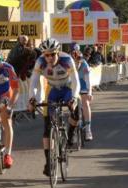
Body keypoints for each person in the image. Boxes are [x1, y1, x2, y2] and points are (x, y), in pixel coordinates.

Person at [27, 38, 80, 176]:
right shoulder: (40, 62)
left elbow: (76, 81)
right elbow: (34, 81)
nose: (49, 58)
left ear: (58, 52)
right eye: (47, 55)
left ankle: (72, 133)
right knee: (47, 126)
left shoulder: (67, 60)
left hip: (68, 88)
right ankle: (49, 162)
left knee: (76, 111)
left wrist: (74, 98)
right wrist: (32, 98)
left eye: (52, 54)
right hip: (53, 90)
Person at [70, 43, 93, 141]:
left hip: (83, 85)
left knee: (86, 103)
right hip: (73, 86)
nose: (77, 62)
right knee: (72, 106)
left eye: (79, 59)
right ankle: (73, 130)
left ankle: (88, 130)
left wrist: (89, 93)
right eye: (75, 60)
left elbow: (88, 81)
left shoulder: (84, 64)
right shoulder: (68, 63)